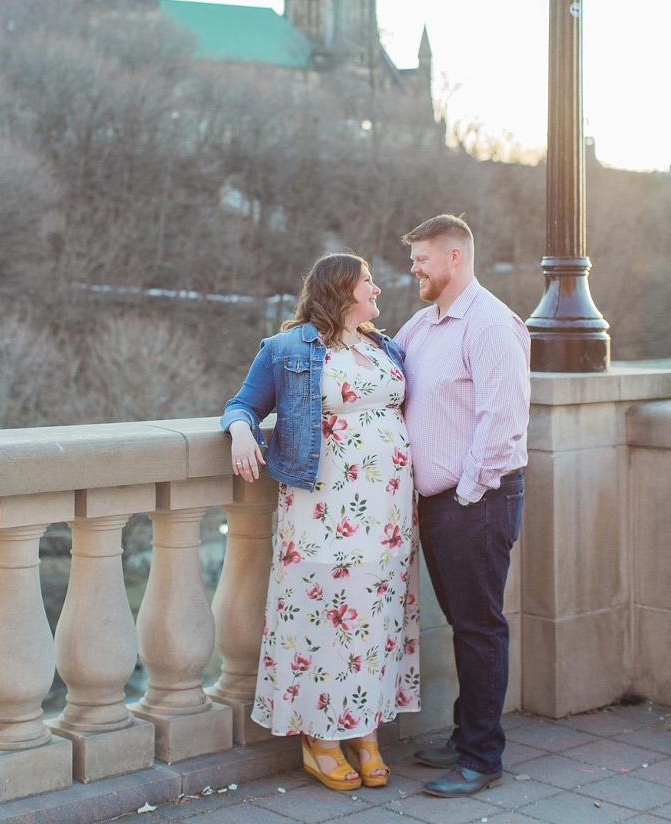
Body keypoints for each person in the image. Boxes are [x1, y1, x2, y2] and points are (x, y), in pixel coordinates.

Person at [221, 253, 420, 792]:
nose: (377, 288)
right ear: (341, 291)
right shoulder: (289, 349)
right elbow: (241, 405)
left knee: (373, 622)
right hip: (322, 513)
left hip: (389, 518)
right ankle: (322, 738)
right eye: (367, 281)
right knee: (324, 622)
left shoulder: (385, 347)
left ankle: (363, 730)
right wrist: (242, 433)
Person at [394, 215, 530, 798]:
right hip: (440, 505)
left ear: (454, 257)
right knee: (465, 625)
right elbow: (374, 361)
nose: (415, 270)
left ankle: (482, 757)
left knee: (479, 628)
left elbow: (501, 421)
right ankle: (466, 733)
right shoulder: (423, 325)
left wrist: (465, 495)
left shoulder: (492, 323)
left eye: (422, 259)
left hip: (477, 501)